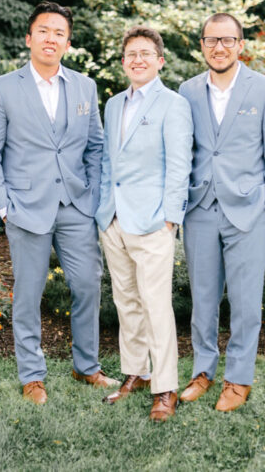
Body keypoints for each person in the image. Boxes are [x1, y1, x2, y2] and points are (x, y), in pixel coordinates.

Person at [0, 0, 117, 405]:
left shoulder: (85, 87)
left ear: (67, 43)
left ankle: (86, 366)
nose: (50, 38)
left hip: (75, 206)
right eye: (43, 31)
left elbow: (95, 147)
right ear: (29, 38)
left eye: (59, 33)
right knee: (28, 293)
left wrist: (90, 198)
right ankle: (32, 375)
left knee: (88, 284)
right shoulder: (1, 88)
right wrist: (4, 207)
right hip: (25, 208)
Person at [177, 12, 265, 412]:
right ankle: (203, 371)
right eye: (211, 40)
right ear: (202, 45)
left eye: (227, 40)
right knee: (203, 298)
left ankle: (238, 378)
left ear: (241, 45)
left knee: (244, 302)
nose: (219, 47)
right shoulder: (186, 91)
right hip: (201, 208)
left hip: (247, 210)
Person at [96, 26, 193, 422]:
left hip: (153, 221)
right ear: (123, 62)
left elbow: (180, 164)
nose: (137, 59)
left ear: (159, 60)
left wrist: (170, 218)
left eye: (145, 53)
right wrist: (104, 211)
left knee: (156, 306)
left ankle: (165, 387)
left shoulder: (173, 104)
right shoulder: (114, 104)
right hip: (114, 219)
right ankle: (136, 372)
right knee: (126, 302)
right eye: (131, 53)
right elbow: (107, 162)